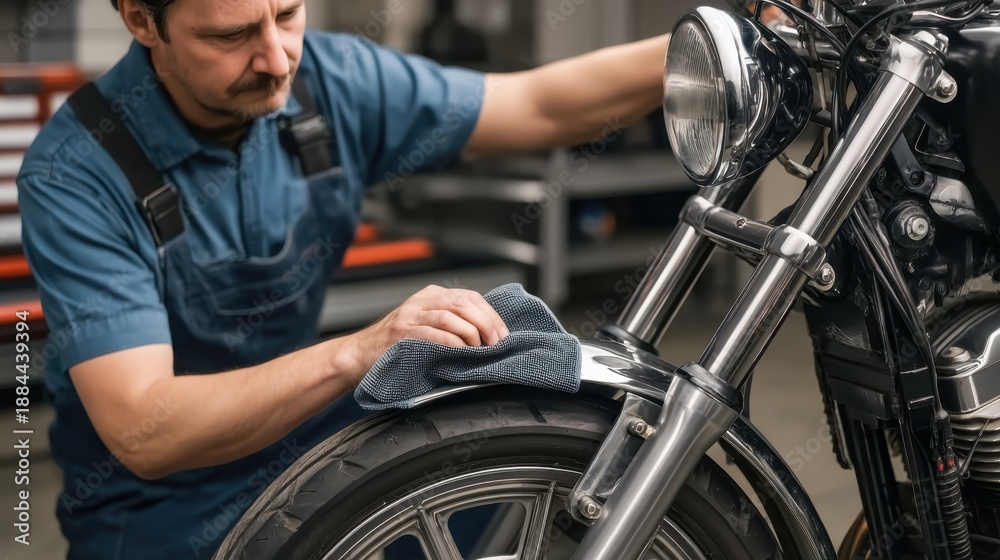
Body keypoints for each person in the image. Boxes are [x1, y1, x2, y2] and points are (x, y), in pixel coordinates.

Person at [16, 0, 669, 557]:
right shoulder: (76, 173)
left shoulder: (327, 83)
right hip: (164, 514)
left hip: (306, 450)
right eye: (230, 35)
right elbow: (145, 429)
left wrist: (713, 40)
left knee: (521, 412)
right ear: (141, 19)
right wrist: (358, 351)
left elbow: (540, 105)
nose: (276, 58)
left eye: (287, 14)